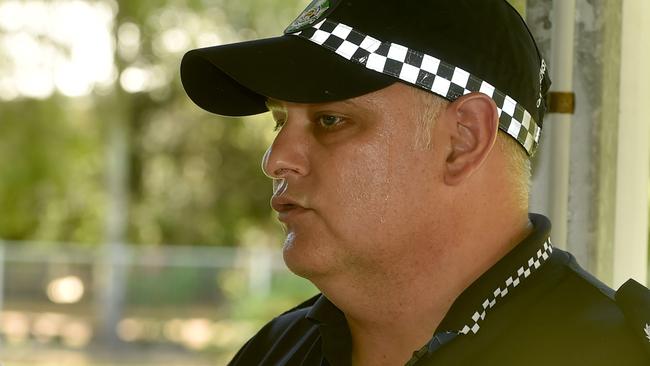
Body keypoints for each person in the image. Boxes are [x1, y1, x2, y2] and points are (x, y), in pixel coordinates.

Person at [180, 0, 650, 364]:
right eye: (279, 121)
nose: (276, 159)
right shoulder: (275, 351)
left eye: (329, 120)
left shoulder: (615, 354)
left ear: (463, 140)